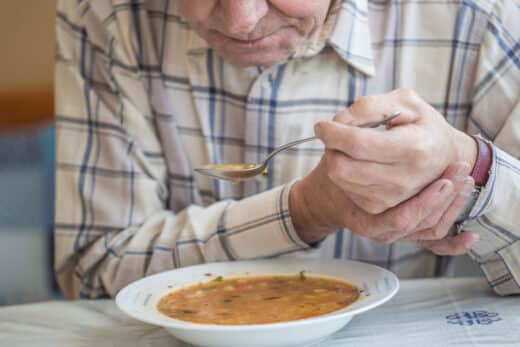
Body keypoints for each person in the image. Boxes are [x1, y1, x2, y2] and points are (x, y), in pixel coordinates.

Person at [54, 0, 519, 298]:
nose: (242, 20)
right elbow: (91, 272)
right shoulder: (108, 16)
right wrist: (304, 210)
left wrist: (472, 166)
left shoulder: (483, 15)